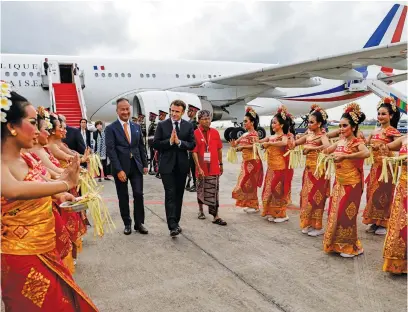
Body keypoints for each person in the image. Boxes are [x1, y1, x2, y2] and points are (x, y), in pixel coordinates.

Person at [0, 86, 98, 311]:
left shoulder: (27, 159)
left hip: (45, 249)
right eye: (33, 122)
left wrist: (60, 192)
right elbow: (12, 189)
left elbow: (40, 185)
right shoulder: (2, 162)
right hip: (21, 255)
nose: (37, 130)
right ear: (12, 127)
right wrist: (65, 183)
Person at [322, 103, 369, 258]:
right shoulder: (340, 141)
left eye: (345, 125)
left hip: (352, 184)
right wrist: (320, 143)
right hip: (339, 183)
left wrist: (346, 156)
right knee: (335, 214)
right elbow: (327, 149)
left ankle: (350, 246)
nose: (341, 129)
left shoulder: (357, 142)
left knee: (346, 214)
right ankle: (337, 244)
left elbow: (366, 153)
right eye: (340, 125)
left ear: (353, 127)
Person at [105, 98, 149, 235]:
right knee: (123, 196)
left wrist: (145, 164)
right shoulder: (111, 128)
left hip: (136, 166)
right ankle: (127, 223)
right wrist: (118, 170)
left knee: (138, 194)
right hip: (121, 168)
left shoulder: (136, 127)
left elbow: (141, 146)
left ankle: (139, 223)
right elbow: (111, 151)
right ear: (117, 111)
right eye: (122, 109)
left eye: (127, 109)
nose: (125, 112)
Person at [153, 100, 196, 237]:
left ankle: (176, 222)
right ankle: (172, 225)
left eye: (177, 111)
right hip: (167, 166)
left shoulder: (188, 126)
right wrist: (170, 142)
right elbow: (156, 144)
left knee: (179, 195)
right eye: (172, 110)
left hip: (182, 166)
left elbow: (192, 144)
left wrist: (180, 143)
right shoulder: (162, 125)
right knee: (170, 194)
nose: (173, 113)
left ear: (182, 112)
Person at [362, 97, 401, 235]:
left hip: (387, 168)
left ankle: (383, 223)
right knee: (372, 193)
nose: (380, 116)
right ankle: (374, 221)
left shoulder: (393, 132)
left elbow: (400, 147)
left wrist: (386, 149)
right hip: (375, 167)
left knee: (383, 194)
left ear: (391, 115)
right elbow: (365, 145)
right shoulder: (374, 131)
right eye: (379, 113)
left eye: (383, 114)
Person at [291, 104, 330, 235]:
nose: (309, 124)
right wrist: (292, 139)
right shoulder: (309, 135)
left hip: (319, 171)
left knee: (316, 198)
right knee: (306, 197)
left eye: (312, 122)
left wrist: (312, 149)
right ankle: (308, 223)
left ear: (319, 124)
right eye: (308, 122)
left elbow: (328, 149)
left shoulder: (322, 136)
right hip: (308, 172)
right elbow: (295, 144)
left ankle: (317, 226)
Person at [260, 105, 295, 223]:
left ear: (281, 125)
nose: (272, 125)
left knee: (277, 190)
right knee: (270, 191)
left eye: (274, 123)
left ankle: (282, 214)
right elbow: (259, 142)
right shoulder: (271, 137)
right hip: (271, 168)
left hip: (280, 168)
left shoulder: (284, 136)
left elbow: (283, 143)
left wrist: (269, 144)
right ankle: (273, 212)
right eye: (272, 123)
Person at [192, 110, 227, 225]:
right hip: (201, 168)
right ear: (199, 121)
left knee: (214, 191)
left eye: (209, 118)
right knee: (201, 189)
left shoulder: (215, 133)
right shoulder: (196, 133)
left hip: (213, 168)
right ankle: (201, 210)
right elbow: (194, 152)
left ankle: (215, 215)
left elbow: (219, 149)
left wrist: (220, 164)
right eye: (205, 119)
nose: (208, 121)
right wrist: (198, 167)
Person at [381, 135, 407, 274]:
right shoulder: (405, 138)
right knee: (400, 224)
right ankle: (398, 261)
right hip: (403, 188)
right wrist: (385, 154)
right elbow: (386, 147)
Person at [230, 107, 263, 212]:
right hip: (246, 162)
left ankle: (254, 205)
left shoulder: (254, 134)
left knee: (248, 184)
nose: (244, 123)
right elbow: (236, 143)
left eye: (245, 121)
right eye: (243, 121)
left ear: (252, 122)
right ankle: (250, 204)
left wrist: (242, 147)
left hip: (253, 162)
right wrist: (234, 145)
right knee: (247, 184)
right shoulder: (245, 134)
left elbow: (255, 145)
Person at [186, 104, 199, 192]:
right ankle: (192, 182)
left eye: (190, 110)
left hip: (193, 148)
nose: (188, 112)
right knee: (190, 166)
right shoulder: (190, 122)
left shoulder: (194, 123)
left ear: (194, 112)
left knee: (194, 167)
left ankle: (196, 184)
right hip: (189, 147)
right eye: (188, 110)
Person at [154, 110, 169, 179]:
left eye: (160, 115)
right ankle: (159, 171)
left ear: (163, 116)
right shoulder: (159, 123)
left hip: (164, 145)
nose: (159, 116)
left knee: (162, 159)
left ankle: (161, 172)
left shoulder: (166, 125)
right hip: (159, 144)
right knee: (158, 159)